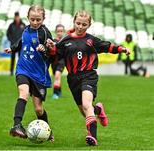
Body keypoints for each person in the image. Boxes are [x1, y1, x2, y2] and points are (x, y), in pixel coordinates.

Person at [46, 10, 130, 146]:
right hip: (73, 79)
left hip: (89, 76)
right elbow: (56, 53)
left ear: (89, 25)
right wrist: (51, 48)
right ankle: (98, 110)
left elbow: (107, 46)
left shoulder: (91, 40)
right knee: (84, 110)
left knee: (86, 104)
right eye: (78, 23)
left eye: (84, 24)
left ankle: (92, 137)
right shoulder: (65, 40)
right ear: (74, 22)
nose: (80, 26)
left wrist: (121, 49)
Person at [4, 5, 55, 141]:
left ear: (43, 19)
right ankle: (17, 125)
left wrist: (44, 48)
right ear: (28, 18)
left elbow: (52, 53)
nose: (35, 22)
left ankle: (48, 131)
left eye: (38, 20)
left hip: (39, 75)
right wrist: (12, 48)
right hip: (23, 69)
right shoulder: (26, 29)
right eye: (32, 19)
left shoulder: (44, 33)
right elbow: (22, 42)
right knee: (23, 93)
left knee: (38, 109)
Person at [7, 11, 26, 76]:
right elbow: (8, 34)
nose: (17, 18)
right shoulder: (11, 25)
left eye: (17, 17)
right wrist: (11, 40)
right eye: (16, 17)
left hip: (20, 44)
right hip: (13, 44)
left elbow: (25, 34)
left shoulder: (23, 25)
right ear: (14, 17)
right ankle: (11, 71)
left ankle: (20, 70)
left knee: (20, 58)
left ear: (19, 17)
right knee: (12, 58)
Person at [51, 24, 65, 99]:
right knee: (57, 77)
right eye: (58, 31)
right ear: (56, 32)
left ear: (63, 32)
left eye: (61, 31)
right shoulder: (53, 41)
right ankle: (59, 91)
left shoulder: (65, 42)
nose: (60, 33)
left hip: (61, 62)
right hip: (53, 62)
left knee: (57, 75)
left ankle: (55, 93)